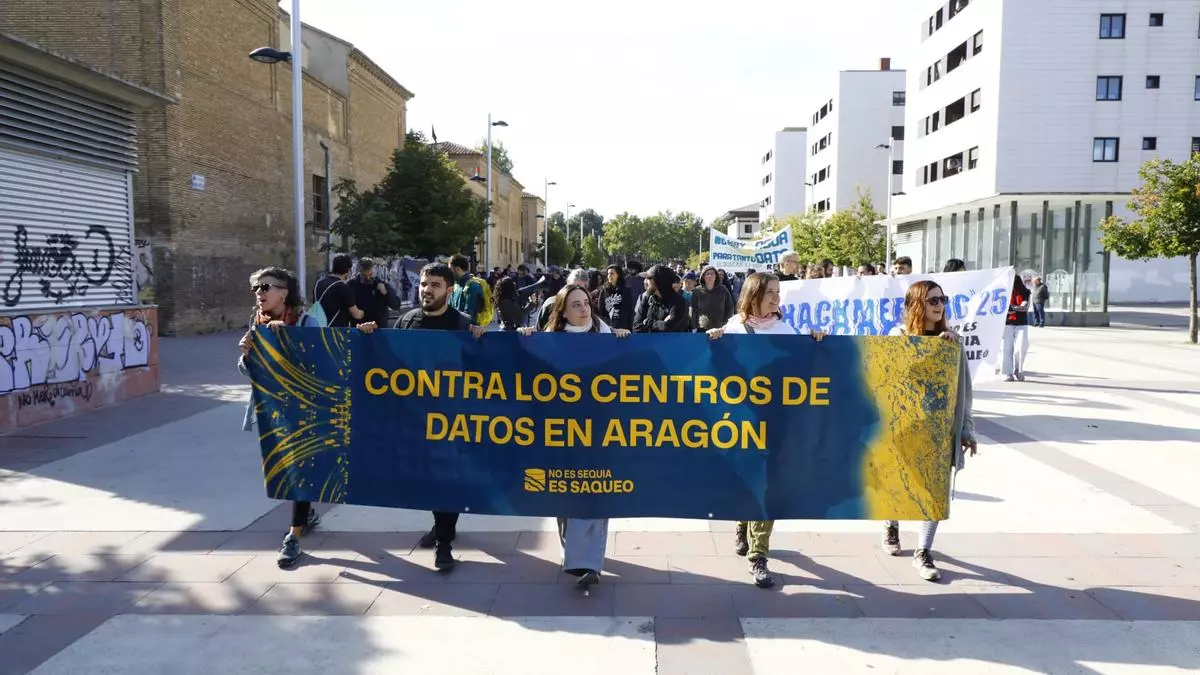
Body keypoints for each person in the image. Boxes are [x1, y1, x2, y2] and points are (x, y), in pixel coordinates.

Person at [238, 267, 375, 569]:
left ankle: (293, 536)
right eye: (256, 288)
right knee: (289, 469)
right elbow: (253, 374)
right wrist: (247, 356)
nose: (259, 293)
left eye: (266, 287)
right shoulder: (257, 323)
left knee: (301, 466)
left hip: (305, 409)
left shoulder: (304, 322)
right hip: (275, 410)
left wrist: (288, 343)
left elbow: (322, 360)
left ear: (284, 293)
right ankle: (308, 512)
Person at [706, 272, 825, 588]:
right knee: (747, 481)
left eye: (778, 292)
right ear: (753, 295)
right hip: (742, 421)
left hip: (776, 423)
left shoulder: (787, 330)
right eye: (770, 292)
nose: (776, 299)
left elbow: (803, 370)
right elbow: (717, 372)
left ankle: (758, 556)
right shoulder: (733, 328)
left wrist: (816, 343)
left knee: (768, 486)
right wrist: (715, 343)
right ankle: (742, 521)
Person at [517, 284, 631, 589]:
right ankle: (575, 554)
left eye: (586, 303)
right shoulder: (550, 340)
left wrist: (622, 342)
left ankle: (589, 562)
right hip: (560, 431)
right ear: (563, 312)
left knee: (594, 489)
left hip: (598, 430)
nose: (584, 310)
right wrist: (527, 340)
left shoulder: (605, 334)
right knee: (564, 491)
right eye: (576, 305)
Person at [881, 280, 977, 581]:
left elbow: (965, 391)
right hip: (903, 429)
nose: (939, 306)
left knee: (935, 491)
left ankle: (923, 551)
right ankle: (891, 526)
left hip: (939, 432)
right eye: (932, 300)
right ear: (915, 305)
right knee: (898, 484)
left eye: (942, 300)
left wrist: (966, 429)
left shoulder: (952, 342)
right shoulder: (897, 337)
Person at [399, 262, 486, 568]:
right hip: (415, 418)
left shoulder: (462, 324)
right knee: (424, 478)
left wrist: (481, 338)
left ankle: (444, 543)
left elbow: (479, 371)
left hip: (450, 420)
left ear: (449, 290)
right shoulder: (407, 321)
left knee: (446, 478)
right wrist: (368, 334)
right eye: (424, 284)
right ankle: (439, 526)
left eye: (435, 285)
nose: (427, 290)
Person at [633, 265, 690, 333]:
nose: (646, 281)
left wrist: (646, 321)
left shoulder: (679, 301)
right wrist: (658, 324)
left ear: (659, 281)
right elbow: (636, 327)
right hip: (649, 343)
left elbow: (668, 327)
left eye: (649, 278)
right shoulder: (647, 299)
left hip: (671, 343)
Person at [312, 254, 364, 327]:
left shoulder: (319, 283)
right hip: (336, 331)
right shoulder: (343, 287)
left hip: (318, 329)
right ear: (348, 271)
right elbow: (356, 314)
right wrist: (362, 313)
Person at [349, 258, 401, 327]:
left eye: (370, 275)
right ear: (359, 272)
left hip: (378, 329)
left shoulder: (382, 285)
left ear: (374, 270)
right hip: (358, 328)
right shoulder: (352, 285)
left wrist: (385, 293)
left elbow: (396, 305)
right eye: (364, 276)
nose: (368, 278)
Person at [1003, 276, 1031, 381]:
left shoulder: (1026, 292)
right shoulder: (1004, 292)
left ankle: (1018, 370)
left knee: (1021, 348)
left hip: (1021, 323)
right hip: (1007, 323)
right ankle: (1008, 373)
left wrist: (1011, 308)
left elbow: (1024, 308)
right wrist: (1012, 309)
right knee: (1007, 349)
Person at [691, 266, 736, 332]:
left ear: (716, 276)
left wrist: (726, 324)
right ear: (703, 276)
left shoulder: (723, 290)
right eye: (707, 274)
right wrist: (694, 326)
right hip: (701, 329)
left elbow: (730, 308)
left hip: (720, 329)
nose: (710, 276)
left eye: (712, 273)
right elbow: (693, 310)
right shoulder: (697, 291)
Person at [448, 254, 486, 326]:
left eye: (450, 269)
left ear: (457, 269)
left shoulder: (473, 287)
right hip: (456, 330)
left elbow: (469, 316)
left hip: (470, 333)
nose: (448, 272)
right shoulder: (455, 285)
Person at [597, 264, 635, 330]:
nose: (609, 276)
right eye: (608, 273)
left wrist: (629, 329)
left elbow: (630, 311)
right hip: (607, 327)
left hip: (622, 328)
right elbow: (600, 309)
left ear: (618, 275)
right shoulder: (604, 289)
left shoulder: (626, 290)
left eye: (612, 273)